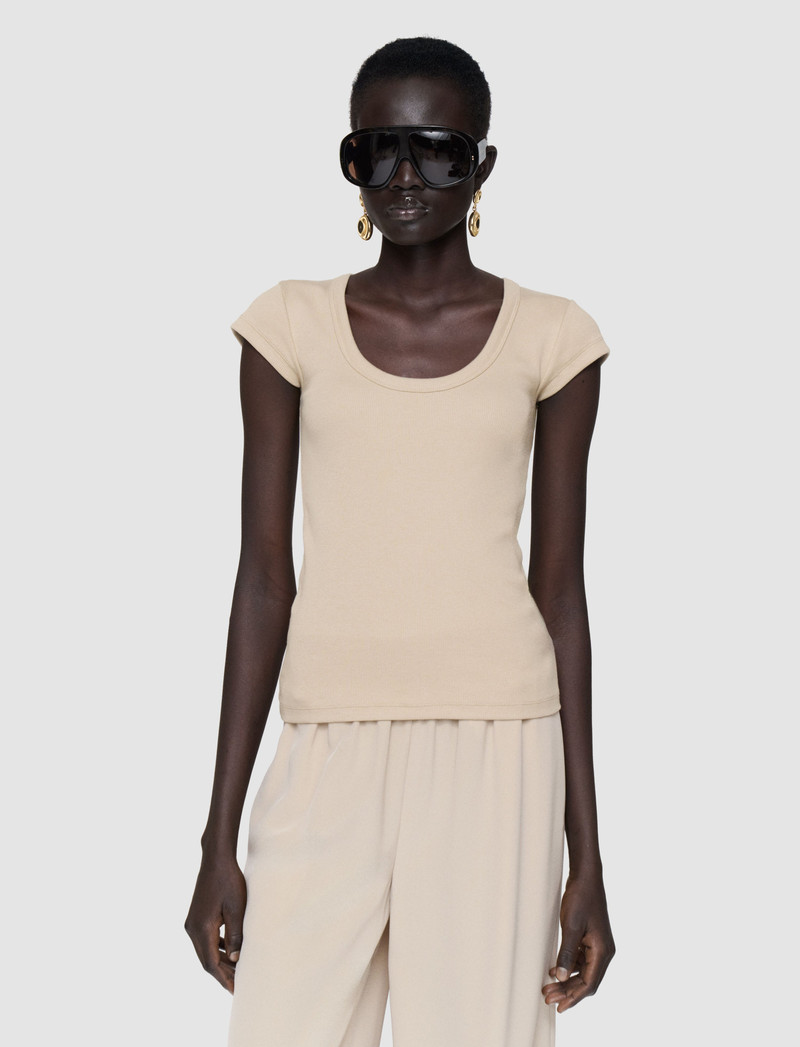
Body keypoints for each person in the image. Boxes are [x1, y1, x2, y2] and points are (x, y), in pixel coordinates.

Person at [185, 36, 615, 1047]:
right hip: (326, 742)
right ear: (350, 162)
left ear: (482, 164)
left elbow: (560, 591)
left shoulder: (554, 338)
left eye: (436, 150)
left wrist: (587, 855)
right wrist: (218, 835)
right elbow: (262, 579)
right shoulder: (287, 327)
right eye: (376, 150)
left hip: (500, 745)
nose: (405, 177)